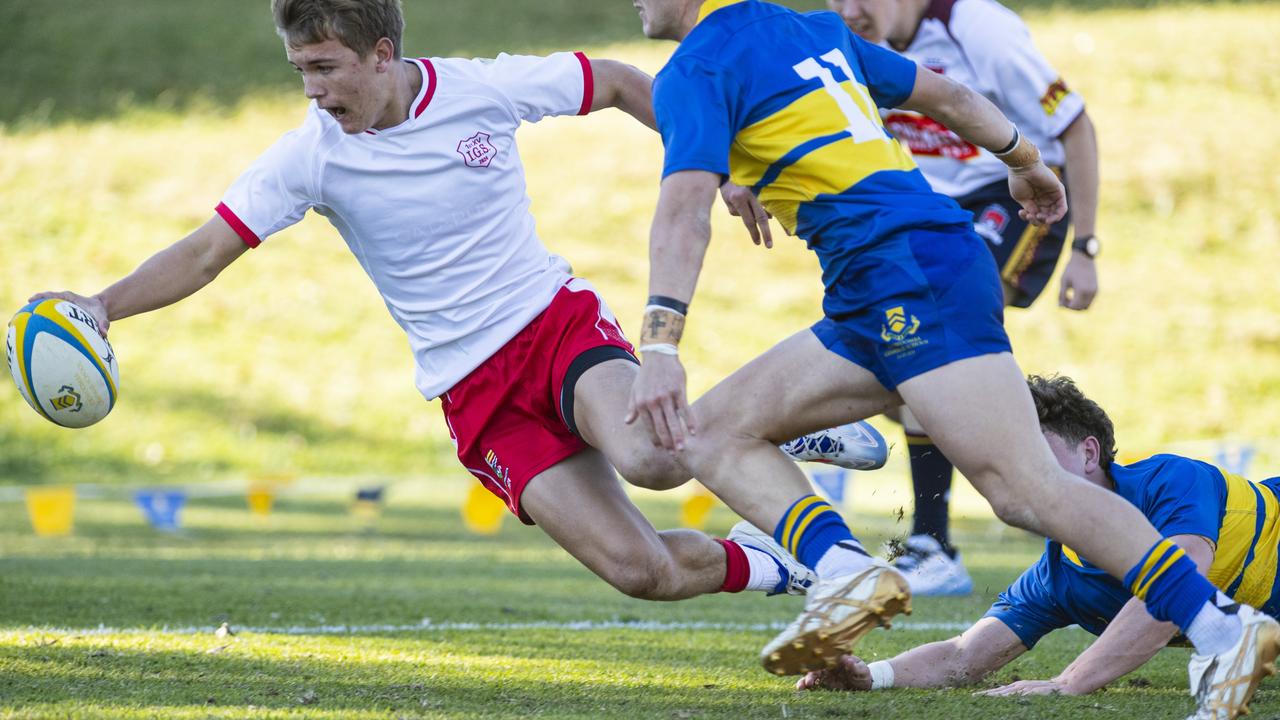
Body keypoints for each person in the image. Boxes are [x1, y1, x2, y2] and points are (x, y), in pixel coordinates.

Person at [28, 0, 883, 614]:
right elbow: (205, 252)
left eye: (326, 69)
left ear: (381, 53)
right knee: (640, 572)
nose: (315, 93)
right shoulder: (310, 158)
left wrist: (721, 163)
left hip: (551, 326)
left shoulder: (479, 88)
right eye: (301, 73)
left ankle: (757, 424)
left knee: (651, 459)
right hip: (473, 392)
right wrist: (100, 305)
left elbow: (622, 81)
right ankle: (779, 565)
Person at [625, 0, 1276, 715]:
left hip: (907, 272)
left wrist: (660, 344)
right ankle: (845, 569)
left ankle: (1223, 630)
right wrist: (1025, 162)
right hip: (879, 283)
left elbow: (681, 213)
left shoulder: (695, 67)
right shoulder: (809, 28)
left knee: (1026, 489)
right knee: (707, 433)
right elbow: (949, 96)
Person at [825, 0, 1103, 598]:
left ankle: (932, 544)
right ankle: (1082, 482)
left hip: (1014, 198)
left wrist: (1086, 247)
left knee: (933, 342)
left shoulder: (979, 27)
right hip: (925, 213)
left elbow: (1075, 126)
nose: (851, 11)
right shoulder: (844, 44)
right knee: (903, 361)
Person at [797, 375, 1280, 706]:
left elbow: (1176, 585)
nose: (1018, 474)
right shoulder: (1056, 576)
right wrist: (873, 677)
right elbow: (966, 655)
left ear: (1089, 452)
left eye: (1034, 452)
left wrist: (1068, 684)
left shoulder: (1172, 480)